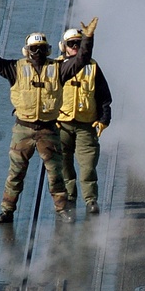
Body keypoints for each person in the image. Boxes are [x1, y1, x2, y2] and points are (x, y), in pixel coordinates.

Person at [0, 16, 98, 224]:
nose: (37, 52)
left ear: (48, 49)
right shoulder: (16, 69)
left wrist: (88, 38)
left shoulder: (58, 69)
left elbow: (81, 60)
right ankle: (7, 210)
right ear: (27, 51)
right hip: (23, 129)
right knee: (15, 173)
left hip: (48, 130)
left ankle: (62, 210)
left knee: (56, 174)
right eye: (34, 48)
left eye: (40, 48)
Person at [56, 27, 112, 215]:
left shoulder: (92, 67)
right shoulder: (54, 67)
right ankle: (70, 199)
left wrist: (104, 119)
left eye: (78, 44)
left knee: (88, 165)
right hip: (61, 124)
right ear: (64, 46)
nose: (75, 47)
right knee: (64, 165)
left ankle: (90, 200)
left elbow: (104, 96)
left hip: (85, 125)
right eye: (71, 44)